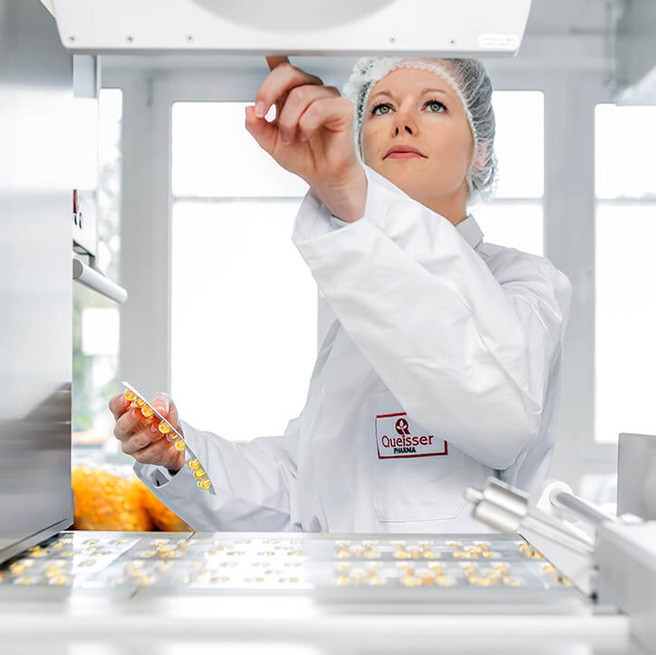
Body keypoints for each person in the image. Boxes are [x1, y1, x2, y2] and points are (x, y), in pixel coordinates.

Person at [109, 56, 571, 533]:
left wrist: (353, 192)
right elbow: (305, 486)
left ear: (481, 150)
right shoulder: (359, 311)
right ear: (361, 146)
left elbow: (497, 413)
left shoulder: (526, 284)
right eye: (381, 109)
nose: (403, 122)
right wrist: (184, 456)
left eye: (433, 105)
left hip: (463, 601)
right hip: (345, 599)